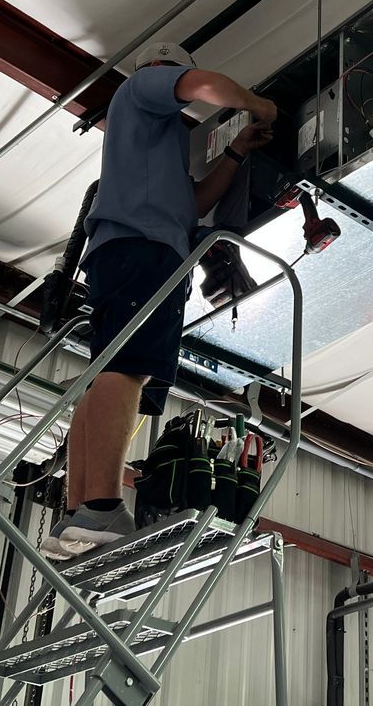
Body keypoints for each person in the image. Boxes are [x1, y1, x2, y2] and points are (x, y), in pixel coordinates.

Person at [42, 42, 276, 559]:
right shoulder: (142, 92)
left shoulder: (157, 144)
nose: (181, 87)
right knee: (126, 371)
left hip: (131, 253)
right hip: (143, 252)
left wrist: (237, 150)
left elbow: (191, 206)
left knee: (110, 374)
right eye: (177, 76)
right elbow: (204, 86)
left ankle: (79, 511)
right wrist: (260, 105)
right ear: (162, 69)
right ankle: (101, 507)